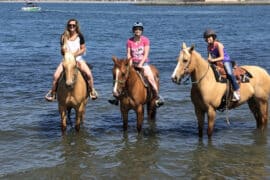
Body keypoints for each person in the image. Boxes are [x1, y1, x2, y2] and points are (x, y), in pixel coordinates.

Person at [109, 22, 164, 107]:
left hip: (143, 63)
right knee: (120, 76)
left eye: (139, 29)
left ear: (142, 31)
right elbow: (128, 54)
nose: (137, 31)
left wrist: (141, 64)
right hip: (132, 63)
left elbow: (146, 54)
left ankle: (157, 97)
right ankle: (116, 97)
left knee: (150, 77)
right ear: (133, 31)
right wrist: (129, 63)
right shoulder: (129, 41)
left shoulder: (145, 40)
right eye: (136, 29)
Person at [45, 19, 98, 101]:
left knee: (89, 74)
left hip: (78, 59)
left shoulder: (80, 36)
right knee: (55, 76)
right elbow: (62, 51)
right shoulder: (63, 36)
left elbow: (83, 49)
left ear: (76, 26)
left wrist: (75, 54)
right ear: (67, 26)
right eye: (70, 25)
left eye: (73, 25)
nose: (71, 27)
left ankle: (91, 91)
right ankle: (53, 93)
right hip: (67, 60)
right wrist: (63, 51)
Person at [203, 29, 240, 101]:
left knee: (229, 73)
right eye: (206, 38)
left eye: (209, 37)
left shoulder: (218, 45)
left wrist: (212, 60)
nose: (208, 39)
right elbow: (209, 57)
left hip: (225, 61)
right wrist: (206, 61)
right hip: (216, 62)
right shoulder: (208, 47)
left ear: (213, 37)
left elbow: (222, 57)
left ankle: (237, 91)